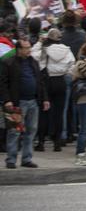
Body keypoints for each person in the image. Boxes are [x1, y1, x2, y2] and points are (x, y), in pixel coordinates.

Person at [1, 39, 49, 168]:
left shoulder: (33, 62)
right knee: (14, 131)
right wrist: (7, 100)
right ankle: (11, 159)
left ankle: (26, 158)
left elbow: (40, 81)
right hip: (17, 103)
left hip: (33, 101)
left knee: (31, 131)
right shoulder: (9, 63)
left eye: (29, 47)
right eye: (26, 48)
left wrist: (44, 98)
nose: (29, 50)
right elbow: (3, 83)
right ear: (19, 49)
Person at [31, 29, 73, 152]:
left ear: (48, 39)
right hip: (61, 81)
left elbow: (33, 56)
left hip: (47, 81)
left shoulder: (44, 49)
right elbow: (72, 64)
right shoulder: (66, 50)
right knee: (59, 114)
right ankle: (57, 143)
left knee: (44, 112)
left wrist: (39, 43)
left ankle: (41, 142)